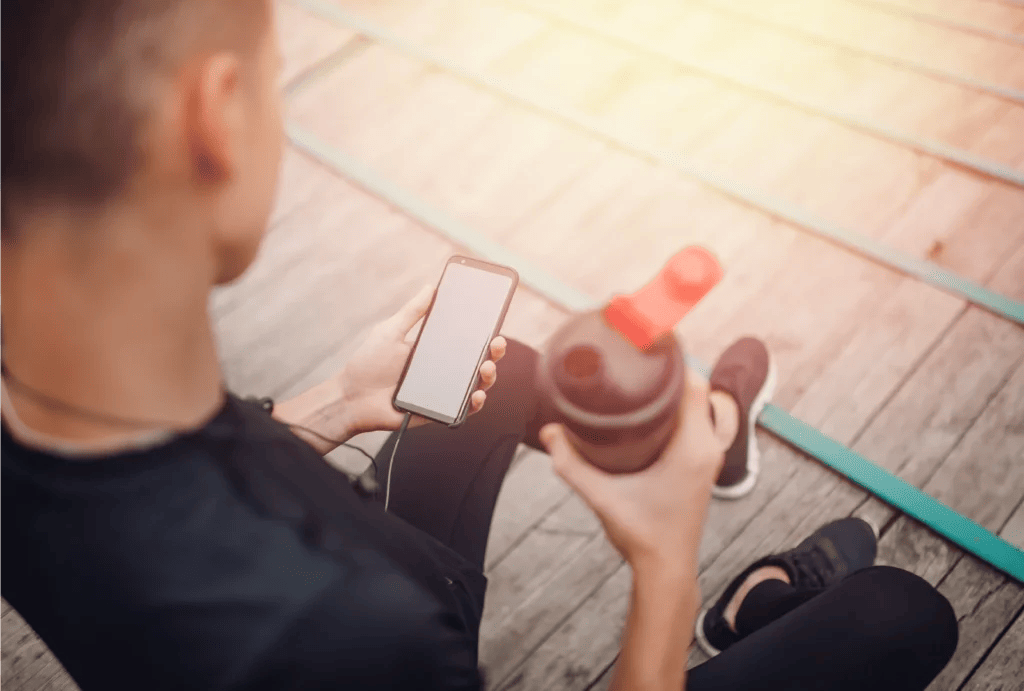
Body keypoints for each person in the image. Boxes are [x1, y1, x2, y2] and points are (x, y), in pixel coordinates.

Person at [0, 1, 958, 689]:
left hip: (385, 571)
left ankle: (712, 447)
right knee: (903, 614)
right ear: (214, 115)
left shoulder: (45, 405)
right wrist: (666, 563)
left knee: (503, 375)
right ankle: (725, 596)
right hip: (405, 611)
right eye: (274, 79)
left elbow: (151, 494)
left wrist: (336, 399)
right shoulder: (354, 635)